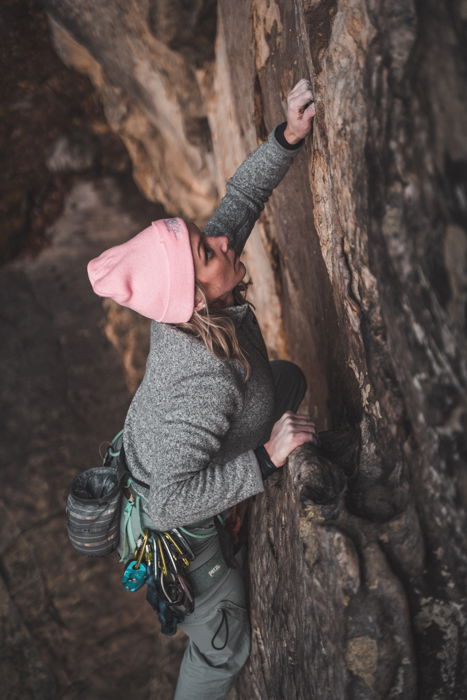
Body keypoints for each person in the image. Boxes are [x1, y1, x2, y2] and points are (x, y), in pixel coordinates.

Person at [87, 78, 317, 700]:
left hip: (175, 456)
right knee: (224, 647)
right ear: (193, 292)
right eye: (207, 250)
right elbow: (165, 505)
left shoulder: (196, 292)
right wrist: (265, 461)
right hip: (173, 534)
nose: (221, 242)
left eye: (202, 238)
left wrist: (288, 136)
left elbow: (240, 200)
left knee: (287, 381)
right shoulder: (201, 380)